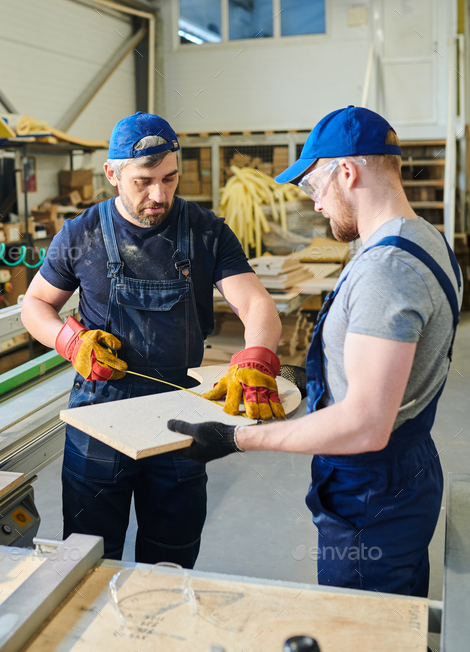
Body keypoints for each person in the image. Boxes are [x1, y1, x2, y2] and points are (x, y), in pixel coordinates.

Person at [170, 105, 461, 597]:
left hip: (371, 491)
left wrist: (235, 439)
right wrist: (290, 374)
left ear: (347, 172)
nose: (315, 204)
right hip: (402, 472)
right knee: (395, 626)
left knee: (360, 641)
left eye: (314, 186)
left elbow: (366, 423)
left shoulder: (386, 270)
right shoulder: (425, 239)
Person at [21, 111, 282, 566]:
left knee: (172, 560)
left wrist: (258, 353)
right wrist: (68, 341)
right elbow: (35, 304)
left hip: (179, 415)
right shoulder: (81, 234)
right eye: (144, 181)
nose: (158, 194)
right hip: (100, 416)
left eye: (170, 178)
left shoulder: (206, 232)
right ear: (112, 174)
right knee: (88, 558)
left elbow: (255, 304)